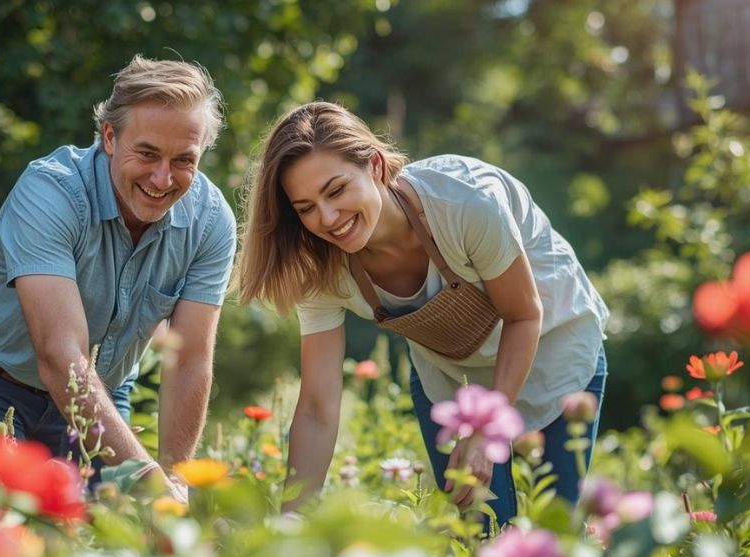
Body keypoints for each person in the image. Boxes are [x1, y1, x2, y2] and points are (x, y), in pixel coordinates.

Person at [235, 102, 608, 525]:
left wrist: (485, 429)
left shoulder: (466, 203)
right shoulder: (319, 269)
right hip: (451, 378)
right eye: (306, 208)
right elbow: (318, 407)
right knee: (480, 531)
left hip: (550, 347)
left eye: (336, 191)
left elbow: (523, 315)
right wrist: (291, 524)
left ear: (375, 166)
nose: (328, 218)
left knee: (557, 532)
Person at [0, 55, 236, 500]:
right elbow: (61, 355)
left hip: (102, 396)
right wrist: (146, 478)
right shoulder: (50, 192)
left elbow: (189, 359)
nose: (162, 178)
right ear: (110, 137)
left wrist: (174, 484)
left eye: (183, 160)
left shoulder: (211, 222)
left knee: (114, 533)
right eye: (147, 153)